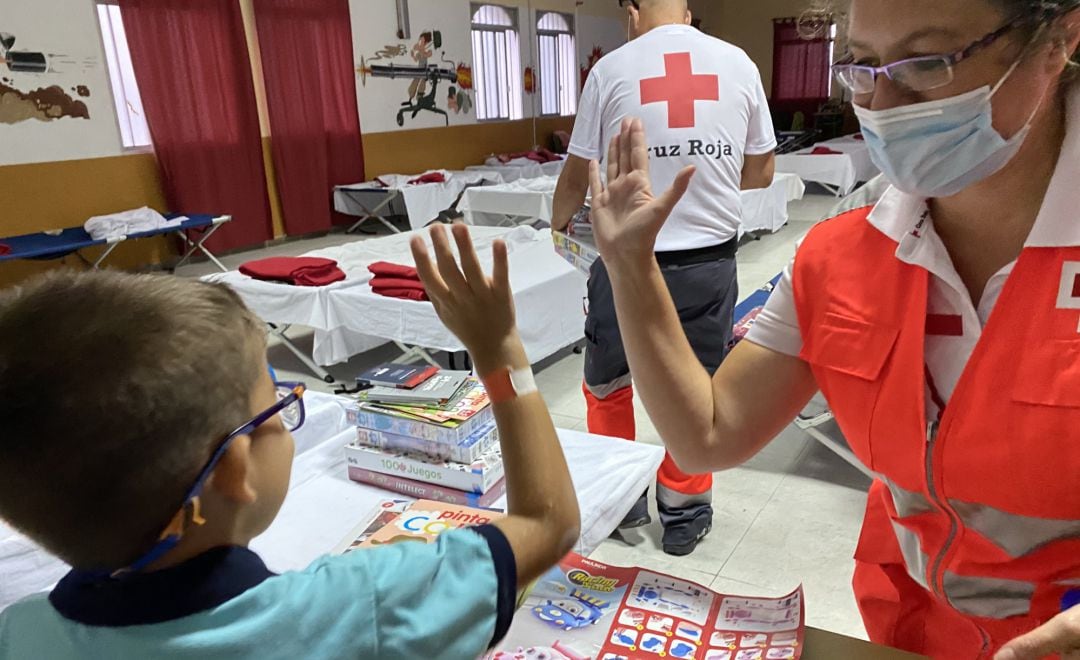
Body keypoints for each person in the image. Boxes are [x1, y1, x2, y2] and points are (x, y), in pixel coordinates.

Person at [585, 0, 1080, 655]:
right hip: (911, 627)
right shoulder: (842, 253)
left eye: (926, 63)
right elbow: (707, 434)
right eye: (863, 68)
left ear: (1057, 39)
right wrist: (630, 266)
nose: (885, 103)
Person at [0, 223, 581, 658]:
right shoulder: (355, 609)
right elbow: (547, 523)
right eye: (277, 406)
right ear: (233, 468)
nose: (284, 416)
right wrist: (499, 349)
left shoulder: (19, 632)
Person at [550, 0, 776, 556]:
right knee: (700, 386)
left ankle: (617, 497)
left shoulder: (611, 68)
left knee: (607, 380)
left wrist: (558, 226)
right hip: (708, 264)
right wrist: (702, 178)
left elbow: (578, 175)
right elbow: (763, 169)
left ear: (630, 11)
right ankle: (684, 509)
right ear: (690, 9)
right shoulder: (739, 62)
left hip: (622, 258)